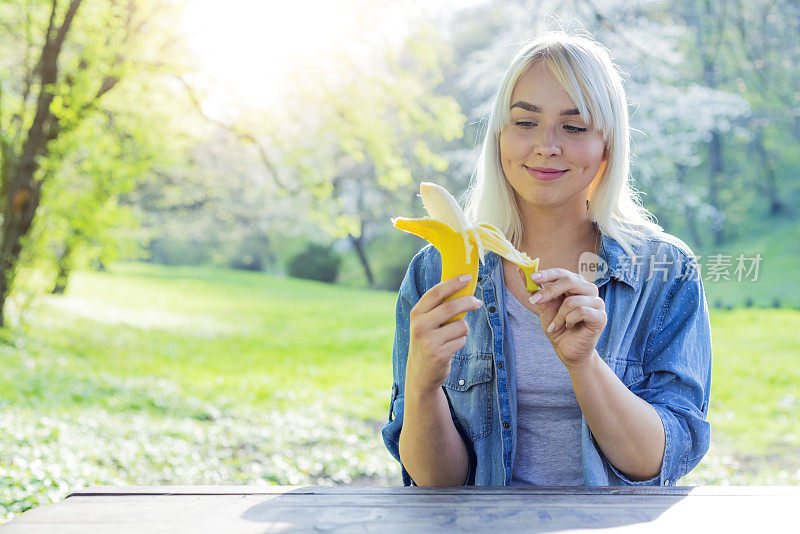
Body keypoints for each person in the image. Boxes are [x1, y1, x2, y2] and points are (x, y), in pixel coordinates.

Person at [382, 30, 712, 486]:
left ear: (607, 146)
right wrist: (422, 385)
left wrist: (583, 364)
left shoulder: (666, 271)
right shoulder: (436, 270)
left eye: (574, 127)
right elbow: (438, 485)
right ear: (499, 135)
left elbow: (657, 463)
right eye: (525, 122)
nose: (547, 145)